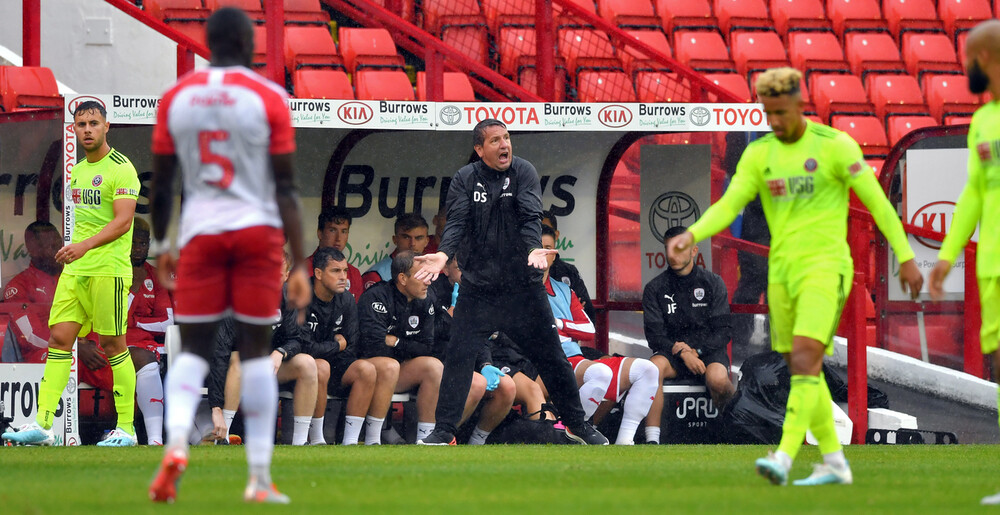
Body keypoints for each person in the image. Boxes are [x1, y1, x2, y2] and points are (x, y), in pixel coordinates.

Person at [666, 67, 923, 485]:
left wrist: (907, 257)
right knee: (800, 365)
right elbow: (731, 204)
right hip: (781, 271)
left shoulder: (836, 146)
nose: (775, 120)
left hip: (826, 268)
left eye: (782, 110)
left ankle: (784, 456)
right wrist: (694, 233)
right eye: (769, 111)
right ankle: (835, 462)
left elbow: (877, 203)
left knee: (804, 357)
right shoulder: (759, 154)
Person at [147, 7, 311, 504]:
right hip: (257, 234)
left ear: (206, 44)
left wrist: (161, 244)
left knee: (194, 350)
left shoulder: (177, 97)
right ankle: (259, 477)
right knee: (258, 357)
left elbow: (164, 183)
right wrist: (299, 259)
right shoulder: (269, 97)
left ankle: (175, 445)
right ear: (248, 44)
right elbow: (285, 186)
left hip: (201, 233)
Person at [414, 118, 607, 445]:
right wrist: (444, 254)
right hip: (479, 291)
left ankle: (577, 423)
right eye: (495, 141)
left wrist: (534, 248)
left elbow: (531, 215)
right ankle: (444, 431)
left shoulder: (524, 172)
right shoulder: (464, 179)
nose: (504, 145)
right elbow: (457, 222)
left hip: (523, 292)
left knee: (552, 358)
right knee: (459, 357)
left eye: (506, 138)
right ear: (479, 149)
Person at [2, 100, 141, 448]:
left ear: (107, 126)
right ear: (75, 130)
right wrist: (73, 250)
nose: (88, 129)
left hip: (107, 270)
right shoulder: (76, 171)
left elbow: (124, 222)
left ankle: (126, 428)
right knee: (60, 340)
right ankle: (44, 425)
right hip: (75, 271)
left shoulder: (122, 169)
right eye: (81, 125)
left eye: (94, 123)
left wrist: (84, 247)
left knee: (112, 345)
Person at [926, 19, 1000, 506]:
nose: (964, 67)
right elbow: (972, 194)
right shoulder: (982, 122)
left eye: (969, 57)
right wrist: (947, 255)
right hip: (992, 264)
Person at [540, 225, 659, 445]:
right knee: (600, 372)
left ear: (554, 254)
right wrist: (567, 327)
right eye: (538, 248)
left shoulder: (565, 290)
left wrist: (558, 323)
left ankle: (625, 442)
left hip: (575, 359)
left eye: (548, 248)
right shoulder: (520, 289)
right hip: (545, 363)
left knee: (649, 370)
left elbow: (588, 329)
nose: (543, 253)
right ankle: (573, 431)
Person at [358, 251, 488, 443]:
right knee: (394, 365)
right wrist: (406, 346)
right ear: (402, 278)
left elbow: (427, 346)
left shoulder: (426, 299)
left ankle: (428, 439)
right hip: (370, 369)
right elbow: (373, 344)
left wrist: (396, 342)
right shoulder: (376, 296)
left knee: (439, 368)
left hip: (403, 367)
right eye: (423, 276)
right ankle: (372, 439)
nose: (429, 282)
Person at [276, 247, 397, 446]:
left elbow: (351, 345)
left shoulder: (347, 299)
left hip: (336, 364)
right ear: (318, 273)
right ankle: (317, 438)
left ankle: (356, 441)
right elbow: (303, 346)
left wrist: (335, 348)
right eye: (336, 271)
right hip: (300, 367)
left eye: (344, 271)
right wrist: (335, 345)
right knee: (320, 366)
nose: (343, 277)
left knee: (366, 369)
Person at [643, 224, 735, 444]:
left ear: (694, 251)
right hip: (674, 355)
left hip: (708, 353)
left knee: (718, 379)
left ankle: (736, 428)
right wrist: (683, 351)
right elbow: (654, 336)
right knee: (651, 369)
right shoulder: (655, 288)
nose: (672, 254)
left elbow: (724, 331)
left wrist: (697, 351)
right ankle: (651, 440)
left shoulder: (713, 283)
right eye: (669, 248)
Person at [428, 256, 516, 444]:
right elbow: (431, 335)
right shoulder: (432, 290)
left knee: (507, 386)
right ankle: (441, 435)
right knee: (475, 382)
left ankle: (476, 442)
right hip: (438, 360)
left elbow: (480, 335)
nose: (466, 274)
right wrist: (453, 312)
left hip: (469, 359)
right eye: (460, 268)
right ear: (445, 269)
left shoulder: (476, 292)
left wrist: (485, 364)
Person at [125, 217, 173, 446]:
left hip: (148, 345)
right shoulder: (112, 271)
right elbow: (116, 320)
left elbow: (168, 320)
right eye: (134, 243)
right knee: (147, 361)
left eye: (143, 243)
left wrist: (136, 321)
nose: (138, 248)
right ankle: (148, 437)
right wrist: (133, 289)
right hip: (112, 345)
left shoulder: (155, 275)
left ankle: (155, 440)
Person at [1, 221, 62, 363]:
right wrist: (73, 346)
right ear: (33, 250)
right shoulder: (18, 286)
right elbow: (31, 336)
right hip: (41, 356)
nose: (60, 251)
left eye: (60, 245)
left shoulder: (73, 277)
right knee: (67, 359)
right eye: (53, 247)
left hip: (82, 349)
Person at [541, 210, 596, 321]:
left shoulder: (569, 272)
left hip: (567, 336)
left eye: (547, 231)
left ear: (556, 235)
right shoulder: (519, 272)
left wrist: (569, 314)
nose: (542, 234)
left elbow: (588, 317)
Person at [306, 206, 364, 300]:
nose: (338, 238)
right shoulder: (302, 270)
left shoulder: (354, 274)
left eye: (344, 231)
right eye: (332, 230)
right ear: (320, 233)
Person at [361, 212, 430, 290]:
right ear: (395, 239)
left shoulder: (433, 271)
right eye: (406, 237)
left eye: (418, 238)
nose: (412, 244)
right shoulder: (376, 275)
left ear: (427, 241)